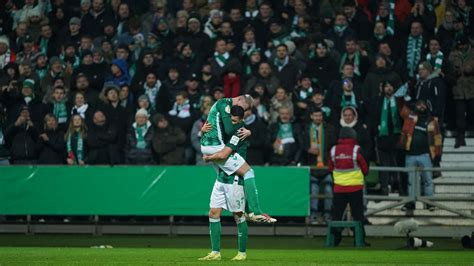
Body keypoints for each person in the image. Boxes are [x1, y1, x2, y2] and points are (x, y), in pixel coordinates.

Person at [200, 95, 275, 223]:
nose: (239, 113)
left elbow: (219, 127)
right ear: (239, 99)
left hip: (210, 146)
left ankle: (250, 212)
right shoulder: (226, 108)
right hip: (217, 148)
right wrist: (244, 128)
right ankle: (256, 212)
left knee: (215, 213)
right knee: (248, 173)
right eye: (241, 108)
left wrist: (203, 132)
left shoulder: (226, 110)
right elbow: (229, 132)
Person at [199, 105, 249, 261]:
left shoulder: (240, 131)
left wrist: (208, 158)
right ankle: (215, 252)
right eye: (231, 120)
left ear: (241, 119)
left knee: (238, 215)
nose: (233, 123)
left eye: (236, 120)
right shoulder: (223, 128)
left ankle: (242, 252)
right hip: (221, 177)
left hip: (234, 177)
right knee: (213, 213)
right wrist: (202, 131)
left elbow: (224, 154)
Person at [328, 127, 369, 246]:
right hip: (355, 188)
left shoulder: (333, 150)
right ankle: (359, 240)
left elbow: (330, 168)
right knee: (358, 215)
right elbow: (365, 168)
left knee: (337, 215)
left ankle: (334, 240)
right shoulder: (357, 149)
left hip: (339, 188)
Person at [399, 99, 442, 211]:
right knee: (411, 181)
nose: (421, 106)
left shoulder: (432, 121)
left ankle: (429, 203)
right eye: (419, 104)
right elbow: (400, 107)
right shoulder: (410, 118)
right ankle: (410, 203)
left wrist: (437, 155)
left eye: (423, 104)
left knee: (427, 180)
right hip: (410, 155)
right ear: (415, 106)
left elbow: (437, 138)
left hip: (425, 155)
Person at [303, 108, 337, 224]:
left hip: (326, 167)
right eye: (315, 116)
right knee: (313, 192)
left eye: (320, 116)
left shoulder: (330, 129)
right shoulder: (306, 129)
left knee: (328, 192)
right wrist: (307, 149)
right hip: (312, 166)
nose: (318, 118)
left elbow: (333, 146)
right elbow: (302, 145)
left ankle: (327, 215)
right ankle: (313, 216)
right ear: (311, 116)